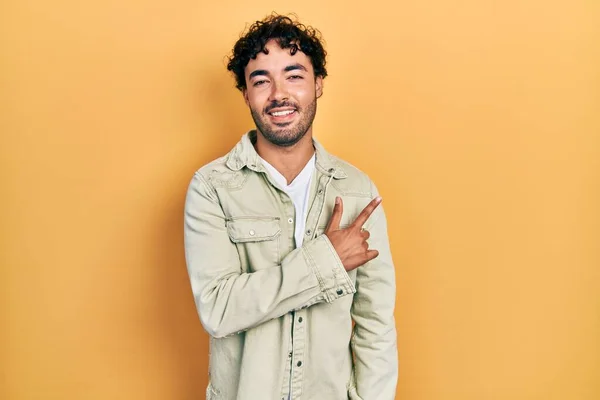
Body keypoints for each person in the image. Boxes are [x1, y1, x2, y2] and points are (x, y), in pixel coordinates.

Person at [184, 14, 398, 400]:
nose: (278, 93)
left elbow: (375, 323)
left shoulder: (356, 190)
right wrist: (326, 261)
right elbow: (219, 309)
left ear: (318, 85)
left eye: (294, 75)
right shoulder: (212, 187)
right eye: (261, 80)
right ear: (246, 95)